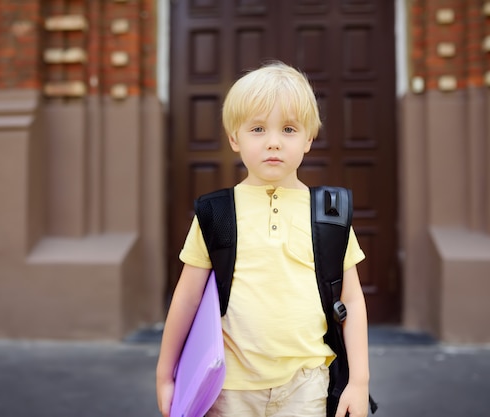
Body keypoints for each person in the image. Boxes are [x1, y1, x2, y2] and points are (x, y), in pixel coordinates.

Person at [156, 61, 370, 417]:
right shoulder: (217, 213)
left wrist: (359, 381)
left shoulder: (330, 215)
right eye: (258, 129)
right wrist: (166, 374)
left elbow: (352, 301)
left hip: (307, 384)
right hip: (228, 387)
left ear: (308, 139)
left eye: (288, 129)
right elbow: (187, 297)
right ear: (235, 138)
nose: (273, 142)